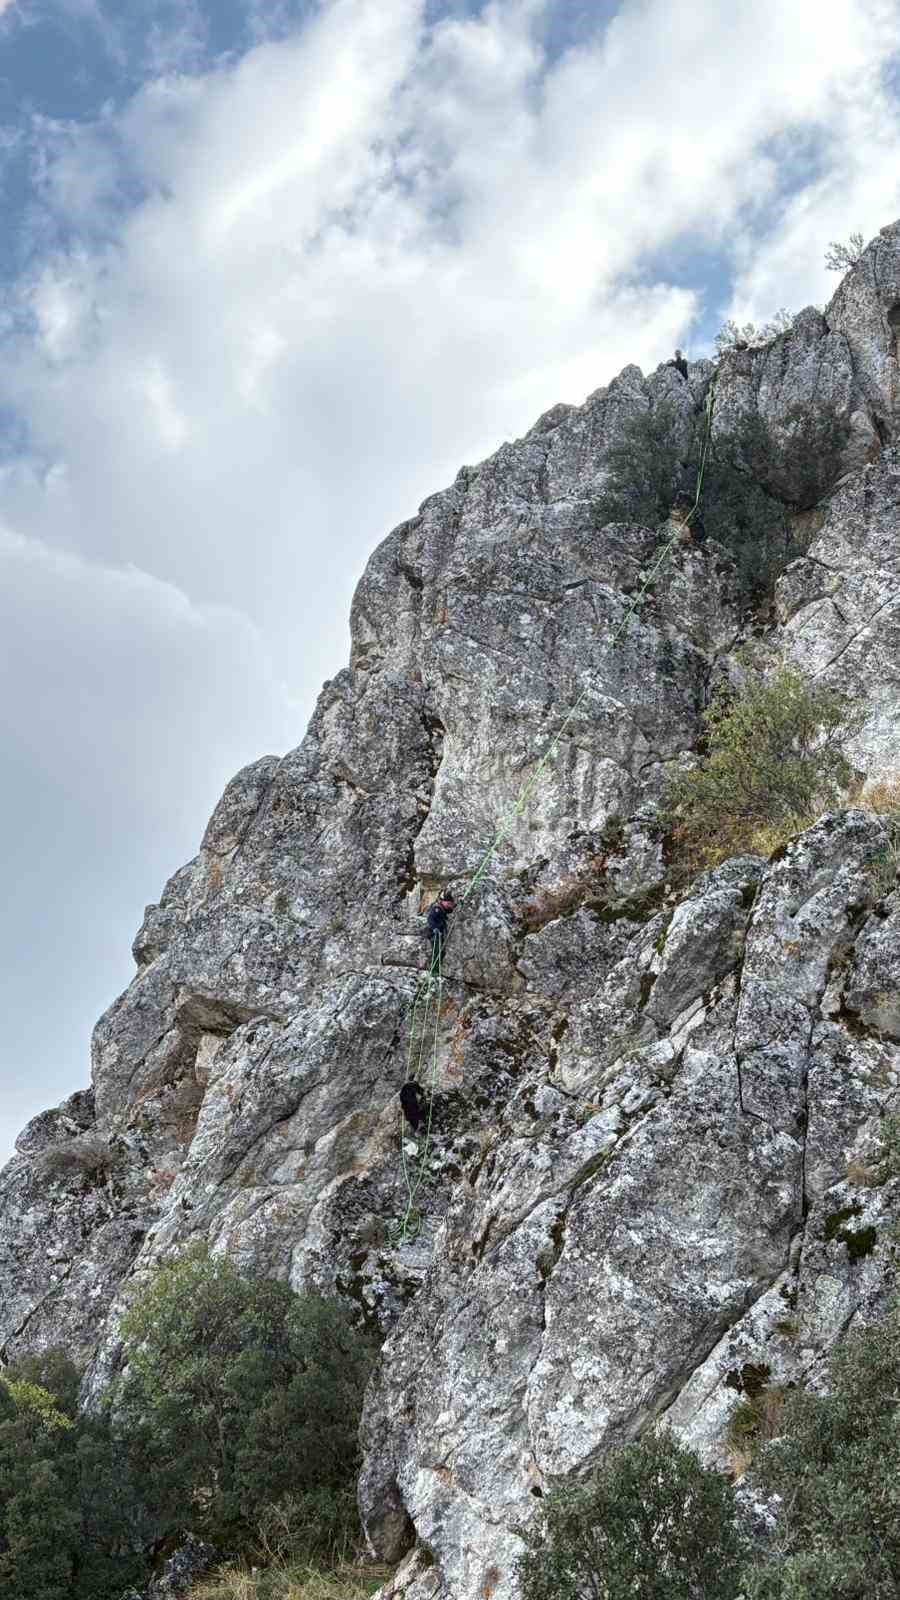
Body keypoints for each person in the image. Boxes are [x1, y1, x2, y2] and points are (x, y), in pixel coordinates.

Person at [423, 890, 455, 970]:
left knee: (442, 952)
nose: (449, 905)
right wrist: (434, 928)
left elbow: (451, 910)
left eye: (450, 904)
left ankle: (437, 968)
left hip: (440, 934)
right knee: (436, 952)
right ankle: (434, 969)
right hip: (434, 934)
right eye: (448, 903)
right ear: (443, 902)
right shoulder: (437, 909)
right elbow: (430, 919)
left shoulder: (444, 909)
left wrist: (459, 905)